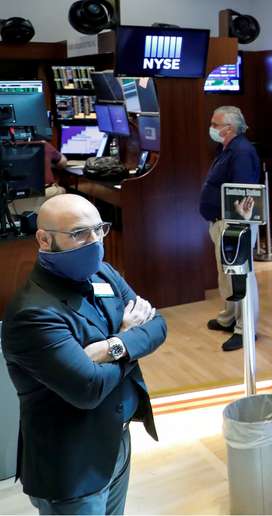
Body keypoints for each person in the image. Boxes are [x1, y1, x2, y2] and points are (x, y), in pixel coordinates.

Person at [1, 194, 167, 515]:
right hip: (73, 465)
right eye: (79, 233)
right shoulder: (31, 313)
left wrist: (112, 347)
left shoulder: (103, 274)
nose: (95, 242)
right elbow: (87, 388)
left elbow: (157, 325)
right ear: (44, 240)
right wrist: (129, 336)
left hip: (116, 441)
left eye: (99, 229)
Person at [199, 106, 262, 352]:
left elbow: (242, 193)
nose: (212, 128)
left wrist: (236, 227)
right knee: (226, 275)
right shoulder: (226, 148)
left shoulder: (243, 152)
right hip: (220, 221)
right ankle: (229, 318)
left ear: (230, 128)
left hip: (235, 223)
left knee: (240, 276)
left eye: (215, 124)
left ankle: (245, 329)